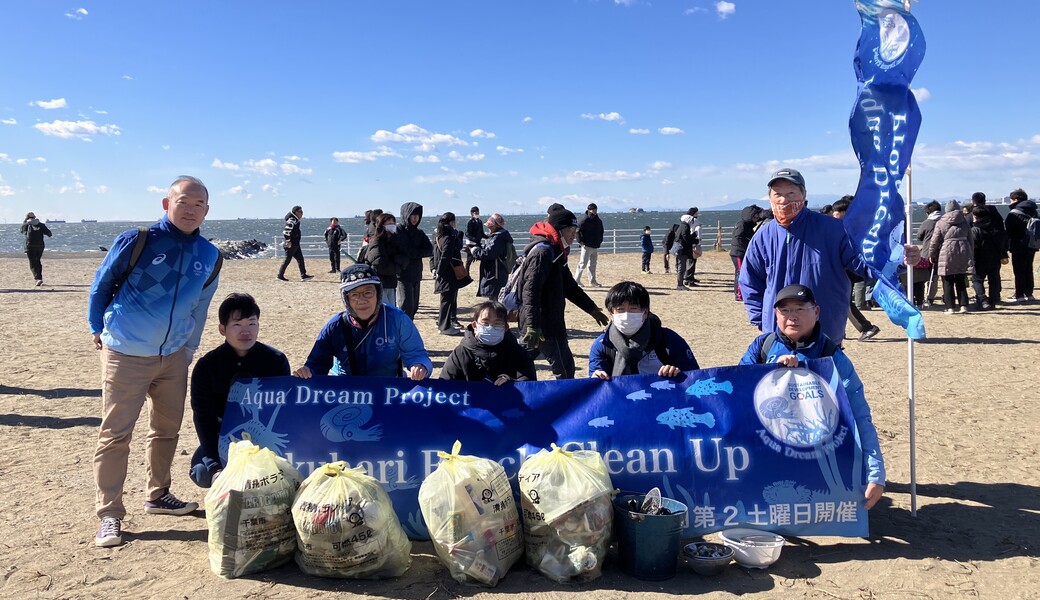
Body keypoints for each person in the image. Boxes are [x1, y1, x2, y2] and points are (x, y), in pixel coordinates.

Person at [87, 175, 222, 548]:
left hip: (173, 357)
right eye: (183, 202)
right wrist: (96, 327)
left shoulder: (210, 256)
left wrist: (189, 349)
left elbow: (200, 307)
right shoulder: (138, 240)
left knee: (166, 430)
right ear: (167, 204)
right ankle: (110, 514)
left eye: (198, 204)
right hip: (126, 351)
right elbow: (102, 284)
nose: (191, 210)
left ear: (207, 211)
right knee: (115, 434)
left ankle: (158, 494)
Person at [738, 284, 886, 510]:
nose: (792, 317)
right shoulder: (762, 347)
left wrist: (875, 474)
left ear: (816, 312)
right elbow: (739, 393)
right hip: (767, 453)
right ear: (776, 314)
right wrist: (769, 372)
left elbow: (859, 417)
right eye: (785, 310)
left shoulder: (832, 357)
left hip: (818, 458)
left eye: (800, 309)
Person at [739, 168, 869, 343]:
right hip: (777, 334)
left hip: (825, 331)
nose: (784, 200)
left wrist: (898, 260)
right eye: (778, 194)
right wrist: (761, 320)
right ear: (769, 198)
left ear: (804, 194)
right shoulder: (763, 236)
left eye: (791, 193)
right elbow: (750, 281)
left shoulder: (833, 229)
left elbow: (864, 264)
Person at [189, 293, 290, 488]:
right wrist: (214, 464)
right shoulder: (207, 366)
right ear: (222, 329)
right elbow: (203, 417)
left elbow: (282, 411)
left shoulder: (275, 360)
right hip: (224, 436)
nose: (246, 331)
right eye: (237, 325)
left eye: (252, 323)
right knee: (202, 474)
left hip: (264, 438)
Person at [294, 264, 432, 379]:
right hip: (346, 391)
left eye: (368, 292)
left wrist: (420, 366)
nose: (362, 300)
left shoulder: (397, 319)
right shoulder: (335, 326)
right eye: (354, 295)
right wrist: (308, 371)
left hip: (388, 389)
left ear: (378, 294)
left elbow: (417, 354)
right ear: (346, 299)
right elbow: (317, 363)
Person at [517, 208, 610, 379]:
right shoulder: (544, 252)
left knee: (522, 365)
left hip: (543, 321)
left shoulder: (556, 250)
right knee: (564, 370)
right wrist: (532, 325)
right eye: (570, 230)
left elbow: (569, 286)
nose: (574, 234)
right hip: (543, 324)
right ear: (559, 230)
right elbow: (530, 291)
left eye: (575, 230)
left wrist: (591, 308)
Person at [588, 281, 700, 379]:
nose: (626, 315)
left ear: (645, 312)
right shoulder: (603, 345)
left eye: (633, 308)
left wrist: (678, 373)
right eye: (620, 309)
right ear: (611, 314)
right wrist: (596, 379)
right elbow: (598, 389)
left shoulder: (669, 339)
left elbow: (694, 376)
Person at [439, 301, 537, 384]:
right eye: (485, 323)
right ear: (475, 326)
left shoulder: (519, 354)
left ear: (506, 327)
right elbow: (445, 386)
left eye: (497, 323)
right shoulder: (461, 353)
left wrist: (511, 382)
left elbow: (530, 387)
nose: (490, 327)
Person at [831, 198, 880, 341]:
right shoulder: (846, 227)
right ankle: (841, 330)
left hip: (849, 269)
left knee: (844, 301)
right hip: (843, 269)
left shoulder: (854, 229)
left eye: (838, 215)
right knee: (840, 300)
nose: (835, 218)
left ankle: (867, 327)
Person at [928, 199, 975, 314]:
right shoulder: (964, 220)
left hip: (947, 250)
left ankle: (950, 307)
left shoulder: (941, 222)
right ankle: (963, 306)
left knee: (947, 280)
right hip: (963, 249)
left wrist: (932, 254)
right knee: (960, 279)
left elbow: (934, 241)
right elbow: (970, 238)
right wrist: (971, 253)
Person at [396, 202, 434, 320]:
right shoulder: (398, 230)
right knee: (405, 306)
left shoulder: (419, 232)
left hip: (416, 273)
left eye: (417, 215)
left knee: (414, 307)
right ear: (406, 215)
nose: (415, 218)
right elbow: (402, 250)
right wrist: (415, 253)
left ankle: (409, 327)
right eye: (412, 215)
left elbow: (430, 249)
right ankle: (403, 329)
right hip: (402, 274)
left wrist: (415, 253)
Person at [433, 212, 468, 335]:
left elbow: (436, 254)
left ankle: (443, 324)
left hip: (445, 272)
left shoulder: (439, 235)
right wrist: (440, 271)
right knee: (447, 300)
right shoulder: (449, 236)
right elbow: (445, 256)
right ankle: (444, 327)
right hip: (448, 273)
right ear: (452, 222)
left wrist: (436, 270)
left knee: (446, 300)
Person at [970, 206, 1009, 310]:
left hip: (980, 259)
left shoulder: (975, 229)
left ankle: (982, 300)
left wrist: (972, 260)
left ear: (975, 217)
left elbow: (974, 247)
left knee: (977, 280)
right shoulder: (996, 227)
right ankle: (993, 301)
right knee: (994, 280)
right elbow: (1003, 242)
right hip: (995, 258)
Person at [365, 213, 407, 306]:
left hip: (391, 283)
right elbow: (380, 264)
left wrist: (399, 264)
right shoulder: (376, 242)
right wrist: (398, 268)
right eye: (389, 224)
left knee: (391, 308)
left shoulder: (394, 241)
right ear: (381, 226)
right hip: (379, 282)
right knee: (384, 308)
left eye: (393, 223)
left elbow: (403, 258)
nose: (392, 226)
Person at [468, 212, 513, 300]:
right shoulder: (500, 236)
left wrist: (474, 250)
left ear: (495, 226)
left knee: (494, 301)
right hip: (497, 273)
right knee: (495, 299)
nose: (488, 229)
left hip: (495, 275)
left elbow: (488, 254)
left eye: (490, 227)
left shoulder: (497, 238)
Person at [1005, 188, 1038, 302]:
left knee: (1019, 270)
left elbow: (1009, 231)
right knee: (1028, 269)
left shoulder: (1014, 213)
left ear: (1015, 199)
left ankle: (1019, 295)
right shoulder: (1034, 211)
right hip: (1032, 244)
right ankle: (1029, 294)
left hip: (1018, 245)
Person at [730, 205, 762, 302]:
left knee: (740, 272)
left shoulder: (746, 225)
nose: (756, 219)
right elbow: (738, 237)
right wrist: (747, 242)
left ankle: (740, 293)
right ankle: (739, 295)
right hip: (739, 252)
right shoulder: (742, 225)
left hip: (740, 252)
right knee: (740, 273)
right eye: (755, 216)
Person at [915, 200, 943, 307]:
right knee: (937, 277)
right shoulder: (944, 221)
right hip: (943, 252)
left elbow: (919, 236)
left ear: (928, 212)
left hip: (927, 253)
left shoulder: (926, 223)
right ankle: (932, 297)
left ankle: (924, 298)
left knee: (925, 276)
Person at [277, 205, 314, 281]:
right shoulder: (292, 220)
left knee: (300, 259)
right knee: (287, 260)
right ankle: (280, 276)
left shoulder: (295, 220)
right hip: (291, 244)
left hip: (295, 243)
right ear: (296, 212)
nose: (302, 213)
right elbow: (286, 231)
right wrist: (288, 241)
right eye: (300, 212)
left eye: (302, 212)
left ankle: (304, 275)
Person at [574, 203, 604, 287]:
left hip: (595, 245)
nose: (594, 211)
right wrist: (580, 241)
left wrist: (600, 240)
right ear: (589, 210)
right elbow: (577, 231)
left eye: (595, 209)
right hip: (586, 245)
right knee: (582, 264)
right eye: (592, 209)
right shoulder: (585, 220)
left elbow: (601, 231)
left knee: (593, 264)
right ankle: (576, 280)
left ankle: (592, 281)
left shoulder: (598, 220)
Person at [20, 211, 52, 286]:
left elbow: (22, 231)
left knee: (33, 262)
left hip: (30, 246)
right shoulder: (41, 225)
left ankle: (38, 278)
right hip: (40, 246)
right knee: (38, 261)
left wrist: (25, 221)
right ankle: (39, 277)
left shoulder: (26, 225)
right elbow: (49, 234)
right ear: (34, 217)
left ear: (27, 218)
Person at [673, 211, 698, 291]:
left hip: (680, 249)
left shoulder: (682, 226)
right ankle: (680, 285)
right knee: (682, 268)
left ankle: (680, 284)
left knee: (681, 267)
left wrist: (693, 236)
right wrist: (695, 240)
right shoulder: (685, 226)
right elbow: (685, 238)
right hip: (683, 250)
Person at [682, 207, 702, 287]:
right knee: (692, 261)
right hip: (693, 242)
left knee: (688, 261)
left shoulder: (684, 221)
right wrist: (697, 241)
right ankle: (689, 279)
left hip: (687, 242)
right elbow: (697, 232)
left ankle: (688, 277)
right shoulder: (695, 222)